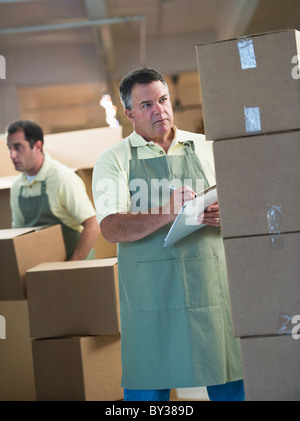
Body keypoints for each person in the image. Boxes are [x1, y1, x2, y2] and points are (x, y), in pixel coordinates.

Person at [92, 68, 244, 401]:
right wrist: (168, 211)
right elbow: (110, 227)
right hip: (150, 301)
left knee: (232, 389)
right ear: (129, 114)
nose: (159, 110)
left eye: (162, 100)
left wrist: (229, 213)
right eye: (146, 105)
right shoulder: (113, 160)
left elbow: (247, 206)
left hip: (211, 294)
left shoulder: (206, 147)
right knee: (148, 395)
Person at [7, 119, 100, 261]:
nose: (12, 155)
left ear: (37, 146)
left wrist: (71, 265)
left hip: (76, 269)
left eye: (18, 147)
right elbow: (19, 234)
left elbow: (93, 225)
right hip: (40, 270)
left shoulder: (62, 178)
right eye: (10, 148)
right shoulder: (17, 188)